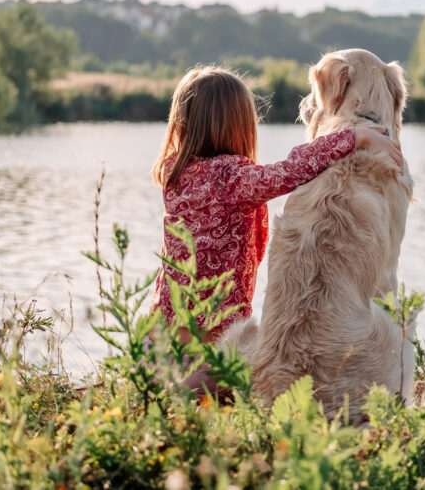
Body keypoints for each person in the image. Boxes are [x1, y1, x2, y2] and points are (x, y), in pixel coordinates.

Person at [149, 65, 402, 350]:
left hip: (167, 312)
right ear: (240, 125)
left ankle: (159, 370)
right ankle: (189, 381)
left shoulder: (175, 172)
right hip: (210, 319)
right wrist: (355, 137)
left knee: (170, 369)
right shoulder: (230, 178)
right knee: (220, 373)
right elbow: (292, 170)